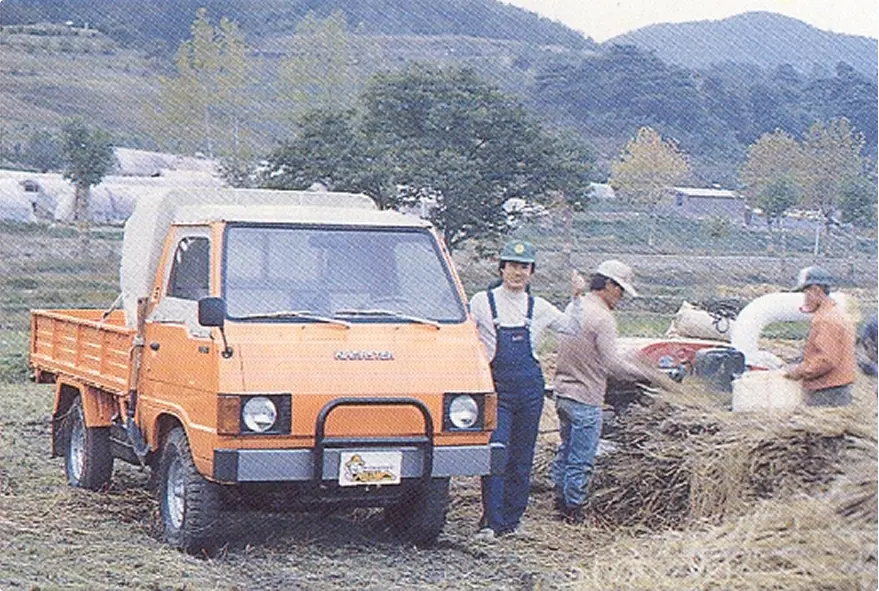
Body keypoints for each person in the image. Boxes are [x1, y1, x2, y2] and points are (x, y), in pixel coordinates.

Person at [469, 239, 585, 540]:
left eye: (524, 267)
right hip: (497, 388)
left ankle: (512, 520)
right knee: (497, 453)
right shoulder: (483, 301)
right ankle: (491, 522)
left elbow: (572, 327)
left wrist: (577, 297)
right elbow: (468, 337)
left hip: (529, 389)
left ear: (531, 272)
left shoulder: (539, 306)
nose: (518, 272)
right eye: (512, 266)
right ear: (502, 268)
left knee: (522, 457)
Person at [550, 260, 649, 525]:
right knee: (581, 458)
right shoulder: (604, 318)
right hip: (586, 397)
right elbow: (613, 364)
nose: (622, 297)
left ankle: (559, 500)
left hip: (563, 392)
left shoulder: (576, 306)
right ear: (608, 284)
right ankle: (573, 509)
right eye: (620, 290)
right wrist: (647, 375)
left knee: (566, 449)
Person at [783, 266, 857, 407]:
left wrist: (798, 371)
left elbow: (826, 360)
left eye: (806, 292)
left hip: (827, 391)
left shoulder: (826, 319)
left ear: (816, 290)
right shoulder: (834, 313)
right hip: (837, 388)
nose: (805, 298)